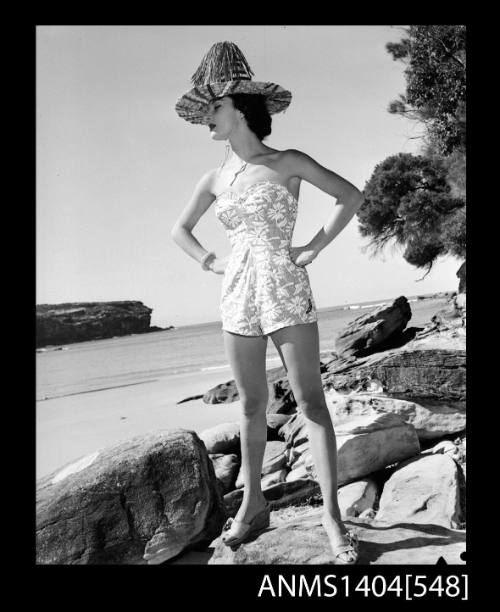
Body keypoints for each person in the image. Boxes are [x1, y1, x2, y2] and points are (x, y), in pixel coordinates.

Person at [172, 41, 365, 564]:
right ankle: (253, 504)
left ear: (240, 108)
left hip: (285, 285)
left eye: (214, 108)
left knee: (311, 403)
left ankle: (332, 517)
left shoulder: (288, 162)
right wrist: (211, 261)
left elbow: (351, 196)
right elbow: (180, 231)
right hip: (237, 293)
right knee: (252, 405)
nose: (207, 118)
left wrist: (313, 248)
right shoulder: (214, 178)